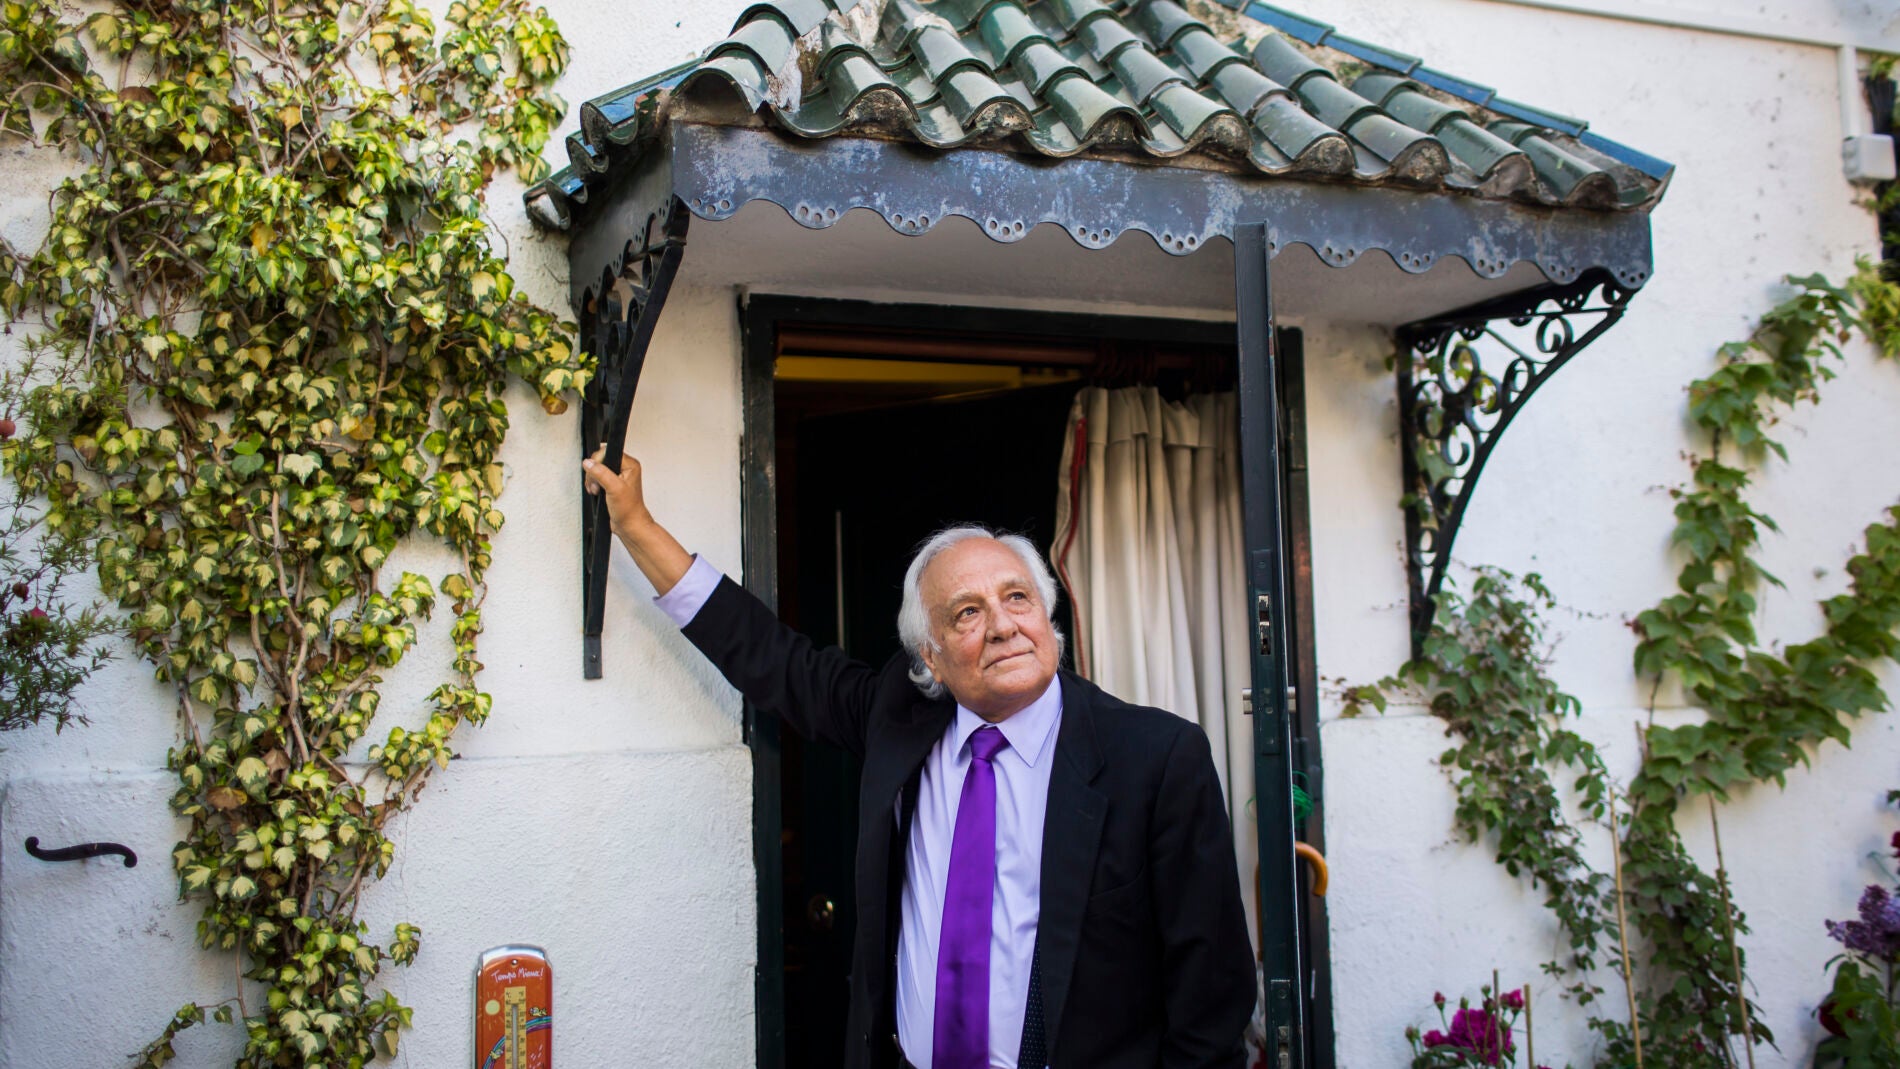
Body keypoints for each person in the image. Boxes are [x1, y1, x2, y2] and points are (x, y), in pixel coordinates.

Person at [583, 451, 1255, 1069]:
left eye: (1017, 597)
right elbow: (772, 657)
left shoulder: (1156, 758)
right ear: (930, 656)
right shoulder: (899, 716)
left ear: (1048, 618)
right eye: (967, 612)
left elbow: (1211, 1005)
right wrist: (637, 525)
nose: (1003, 625)